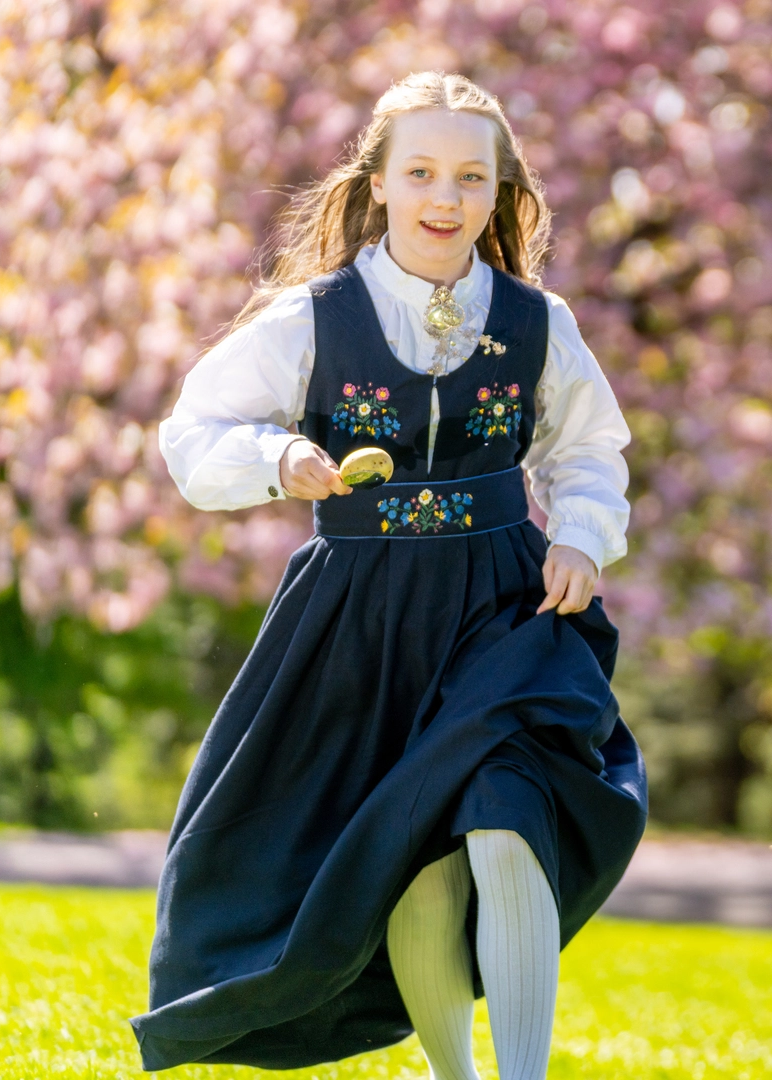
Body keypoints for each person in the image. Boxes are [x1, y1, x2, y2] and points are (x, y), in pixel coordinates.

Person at [133, 73, 646, 1079]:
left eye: (470, 177)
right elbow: (194, 431)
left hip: (505, 612)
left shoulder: (540, 323)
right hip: (357, 623)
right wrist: (278, 460)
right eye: (419, 173)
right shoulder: (313, 317)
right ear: (377, 183)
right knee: (412, 867)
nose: (444, 199)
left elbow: (589, 450)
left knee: (505, 825)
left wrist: (581, 537)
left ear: (503, 192)